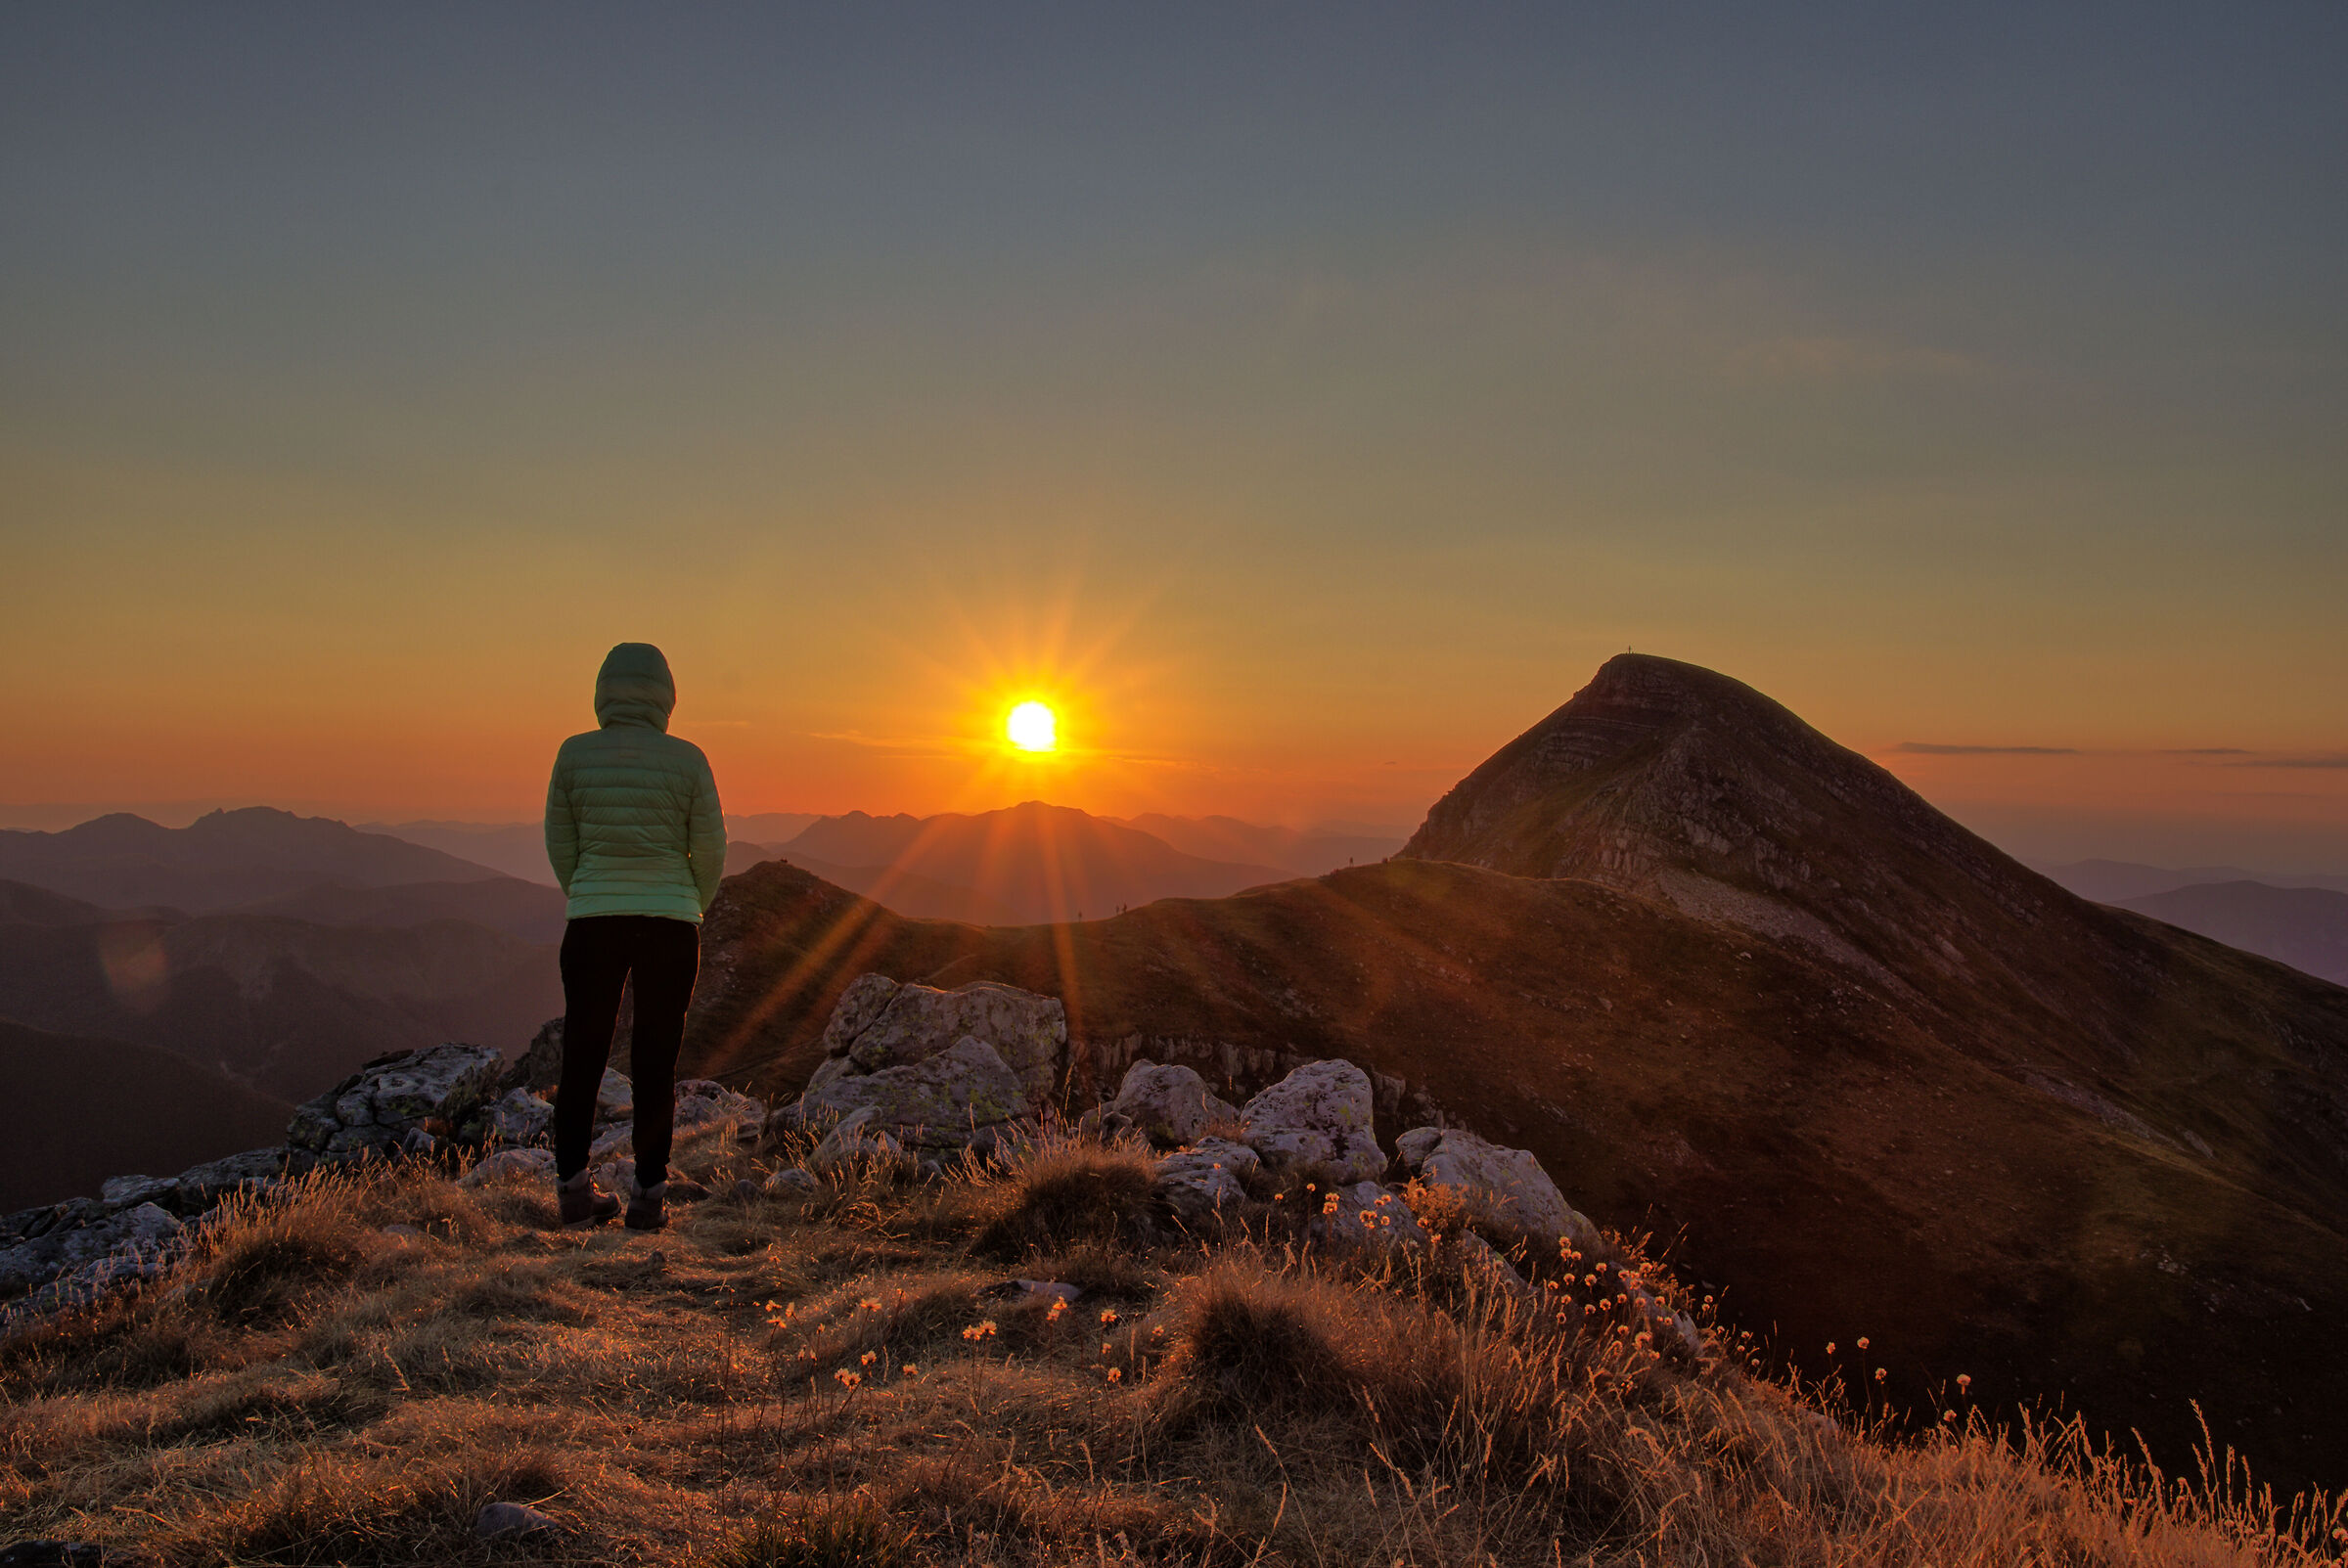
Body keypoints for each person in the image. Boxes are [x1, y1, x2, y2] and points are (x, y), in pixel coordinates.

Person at [543, 643, 726, 1230]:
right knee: (655, 1059)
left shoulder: (574, 754)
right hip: (669, 925)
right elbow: (711, 849)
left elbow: (560, 842)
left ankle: (573, 1193)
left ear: (603, 692)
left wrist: (588, 893)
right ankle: (648, 1197)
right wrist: (688, 904)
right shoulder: (688, 760)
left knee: (584, 1054)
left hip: (593, 922)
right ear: (666, 695)